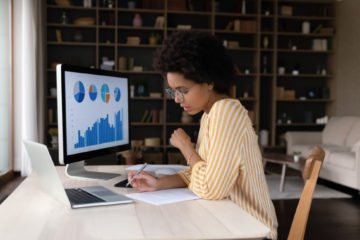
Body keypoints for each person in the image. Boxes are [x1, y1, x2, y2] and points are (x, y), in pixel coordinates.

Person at [128, 31, 278, 239]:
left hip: (253, 231)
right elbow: (202, 172)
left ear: (208, 81)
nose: (177, 99)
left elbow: (211, 188)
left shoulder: (225, 112)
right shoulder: (210, 115)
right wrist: (158, 183)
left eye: (182, 90)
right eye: (173, 92)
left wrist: (186, 147)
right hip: (231, 224)